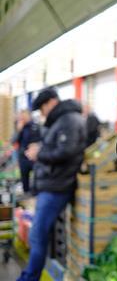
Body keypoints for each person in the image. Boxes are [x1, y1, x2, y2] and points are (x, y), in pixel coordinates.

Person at [17, 88, 86, 281]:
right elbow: (58, 147)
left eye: (42, 108)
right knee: (39, 236)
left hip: (57, 187)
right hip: (52, 185)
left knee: (37, 235)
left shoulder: (69, 120)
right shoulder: (61, 120)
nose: (42, 113)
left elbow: (66, 152)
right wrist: (41, 148)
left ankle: (29, 278)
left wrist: (39, 154)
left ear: (51, 103)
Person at [11, 110, 42, 193]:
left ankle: (35, 194)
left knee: (37, 178)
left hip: (34, 158)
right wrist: (18, 130)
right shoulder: (19, 127)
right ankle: (26, 194)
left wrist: (36, 146)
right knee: (24, 178)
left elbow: (43, 139)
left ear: (29, 116)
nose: (22, 118)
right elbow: (13, 141)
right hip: (23, 157)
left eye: (24, 115)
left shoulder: (36, 126)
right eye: (21, 116)